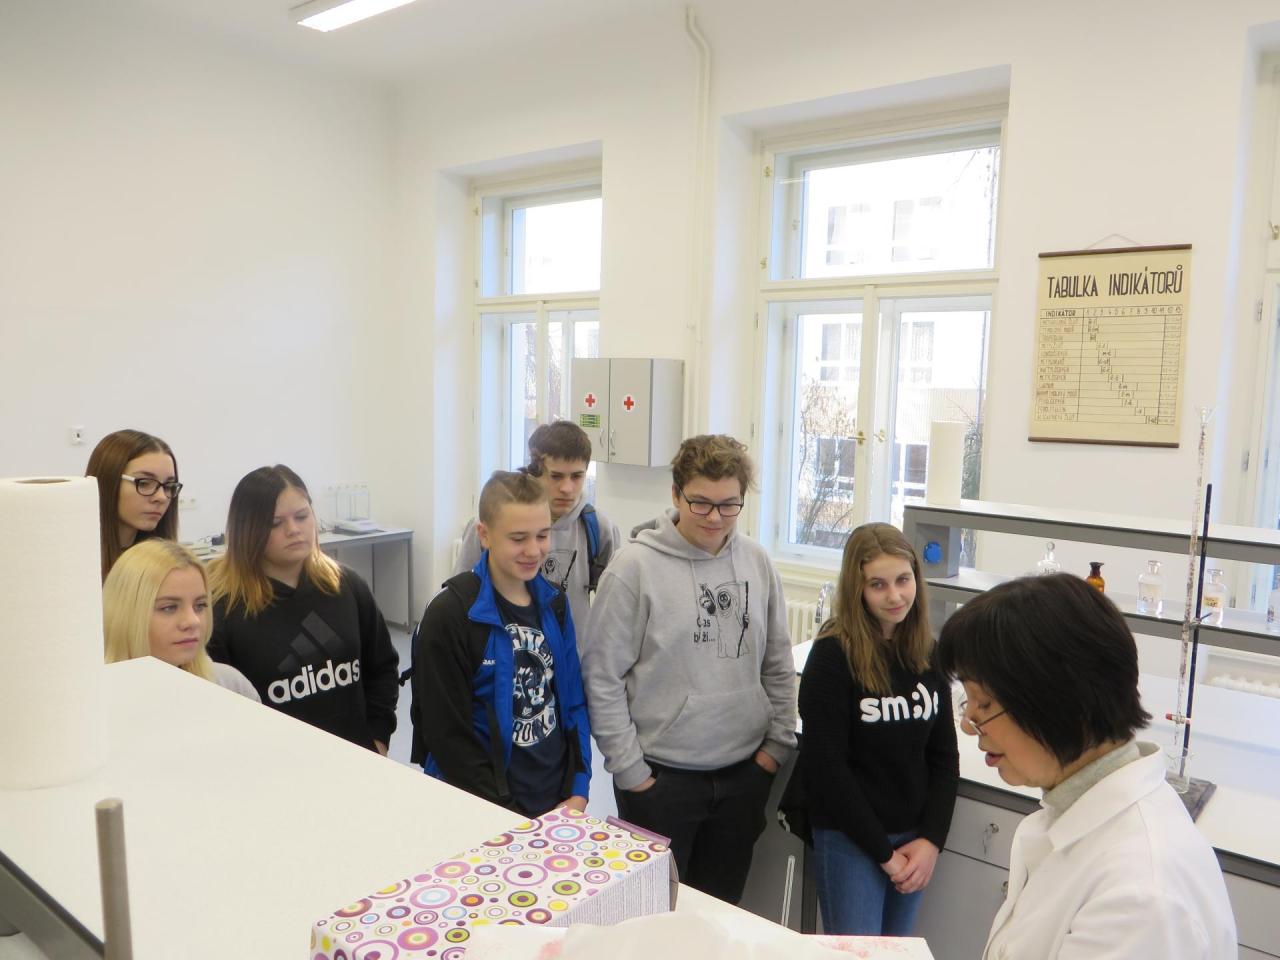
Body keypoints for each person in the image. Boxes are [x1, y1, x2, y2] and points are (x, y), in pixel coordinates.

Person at [937, 573, 1237, 960]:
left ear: (1063, 703)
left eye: (984, 704)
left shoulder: (1141, 898)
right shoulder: (1072, 813)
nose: (968, 724)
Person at [582, 434, 796, 904]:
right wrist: (633, 774)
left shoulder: (757, 562)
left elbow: (778, 662)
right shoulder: (633, 569)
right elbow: (601, 678)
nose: (715, 517)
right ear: (676, 494)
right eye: (701, 503)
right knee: (655, 917)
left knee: (719, 914)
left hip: (744, 776)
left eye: (729, 505)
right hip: (661, 782)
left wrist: (774, 749)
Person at [797, 522, 957, 935]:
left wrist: (931, 841)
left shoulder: (928, 653)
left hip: (914, 840)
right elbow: (827, 769)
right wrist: (884, 854)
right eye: (878, 585)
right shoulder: (833, 656)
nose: (895, 596)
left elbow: (944, 758)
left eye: (903, 580)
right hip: (851, 838)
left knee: (896, 953)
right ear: (858, 589)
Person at [417, 470, 591, 816]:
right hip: (483, 806)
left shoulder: (555, 604)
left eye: (542, 535)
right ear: (484, 535)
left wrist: (579, 786)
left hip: (555, 802)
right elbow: (448, 737)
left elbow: (572, 702)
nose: (533, 550)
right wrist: (504, 813)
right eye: (518, 538)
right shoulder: (450, 616)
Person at [207, 465, 398, 752]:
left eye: (301, 516)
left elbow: (382, 668)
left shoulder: (347, 586)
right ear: (248, 530)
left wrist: (378, 739)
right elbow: (219, 709)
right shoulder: (223, 608)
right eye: (275, 523)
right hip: (276, 765)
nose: (293, 530)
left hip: (356, 759)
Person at [455, 421, 620, 656]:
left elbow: (613, 607)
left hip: (569, 657)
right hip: (504, 655)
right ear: (535, 471)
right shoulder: (490, 526)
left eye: (577, 476)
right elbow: (461, 597)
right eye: (556, 476)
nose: (567, 488)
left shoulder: (598, 528)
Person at [103, 538, 258, 701]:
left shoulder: (230, 686)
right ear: (126, 615)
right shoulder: (94, 702)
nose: (193, 621)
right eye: (169, 608)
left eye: (200, 605)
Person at [84, 429, 181, 579]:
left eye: (168, 486)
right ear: (108, 482)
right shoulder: (76, 562)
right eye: (144, 483)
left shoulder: (164, 566)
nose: (161, 497)